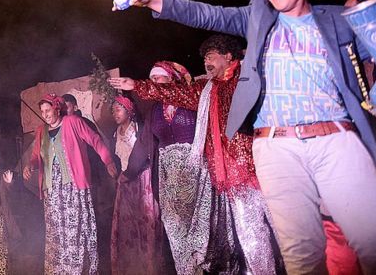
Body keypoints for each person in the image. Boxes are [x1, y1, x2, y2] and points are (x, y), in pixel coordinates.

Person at [117, 0, 376, 274]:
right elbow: (205, 13)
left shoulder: (336, 19)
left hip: (335, 140)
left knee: (373, 240)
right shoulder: (259, 19)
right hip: (276, 147)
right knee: (302, 253)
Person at [112, 34, 281, 274]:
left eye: (211, 56)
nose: (206, 62)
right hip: (223, 177)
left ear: (229, 57)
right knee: (252, 237)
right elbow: (150, 132)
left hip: (259, 165)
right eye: (204, 59)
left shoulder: (245, 79)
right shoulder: (204, 92)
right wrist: (137, 85)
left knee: (287, 230)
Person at [23, 93, 118, 275]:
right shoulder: (41, 131)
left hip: (73, 186)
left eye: (48, 110)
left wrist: (108, 161)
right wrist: (29, 165)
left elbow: (95, 141)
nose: (45, 114)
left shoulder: (73, 122)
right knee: (56, 231)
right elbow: (36, 156)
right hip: (52, 190)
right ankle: (59, 270)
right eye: (42, 111)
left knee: (76, 229)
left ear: (57, 108)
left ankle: (78, 269)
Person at [122, 61, 194, 275]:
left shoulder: (190, 101)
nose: (153, 82)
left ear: (171, 78)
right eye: (151, 78)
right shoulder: (155, 111)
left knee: (197, 226)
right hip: (167, 179)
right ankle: (184, 270)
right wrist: (129, 172)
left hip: (195, 173)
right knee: (173, 225)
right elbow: (145, 142)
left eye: (158, 77)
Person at [109, 95, 166, 275]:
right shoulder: (115, 134)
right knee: (129, 225)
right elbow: (118, 160)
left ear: (129, 110)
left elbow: (146, 154)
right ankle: (133, 266)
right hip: (126, 183)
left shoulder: (139, 129)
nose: (114, 114)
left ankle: (150, 266)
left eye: (118, 110)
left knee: (147, 222)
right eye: (113, 111)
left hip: (143, 180)